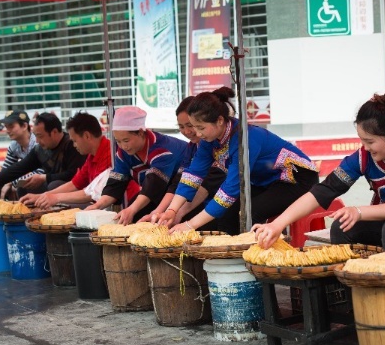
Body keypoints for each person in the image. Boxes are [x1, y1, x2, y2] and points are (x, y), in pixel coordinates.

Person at [252, 89, 385, 250]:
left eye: (370, 141)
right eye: (362, 141)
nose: (365, 147)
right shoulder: (364, 157)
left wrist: (358, 211)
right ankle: (349, 294)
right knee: (341, 227)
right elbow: (324, 190)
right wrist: (277, 225)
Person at [156, 87, 319, 235]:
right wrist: (172, 210)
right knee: (228, 214)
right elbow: (193, 174)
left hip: (296, 179)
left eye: (201, 128)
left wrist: (189, 225)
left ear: (219, 120)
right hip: (265, 182)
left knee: (250, 212)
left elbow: (230, 189)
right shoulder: (208, 140)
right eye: (194, 127)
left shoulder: (245, 138)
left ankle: (253, 260)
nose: (197, 134)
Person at [86, 106, 188, 225]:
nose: (123, 146)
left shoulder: (162, 149)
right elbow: (115, 185)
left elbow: (153, 186)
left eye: (126, 140)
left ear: (140, 132)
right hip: (156, 195)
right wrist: (98, 205)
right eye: (118, 141)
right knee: (133, 215)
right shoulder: (123, 153)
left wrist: (132, 210)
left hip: (183, 193)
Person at [20, 112, 139, 209]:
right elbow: (75, 183)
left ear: (87, 136)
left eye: (75, 141)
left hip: (119, 207)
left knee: (63, 206)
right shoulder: (92, 155)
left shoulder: (111, 155)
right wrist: (44, 196)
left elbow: (91, 193)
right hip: (98, 204)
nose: (74, 145)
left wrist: (54, 197)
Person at [141, 96, 226, 227]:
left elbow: (207, 186)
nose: (189, 132)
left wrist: (179, 214)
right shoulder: (192, 147)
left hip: (219, 205)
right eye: (181, 126)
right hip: (199, 204)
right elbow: (181, 181)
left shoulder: (216, 145)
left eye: (192, 126)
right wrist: (161, 211)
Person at [0, 112, 86, 196]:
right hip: (52, 187)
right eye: (36, 136)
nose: (37, 141)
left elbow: (74, 175)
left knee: (54, 184)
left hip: (75, 190)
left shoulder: (72, 145)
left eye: (40, 136)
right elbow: (17, 168)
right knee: (23, 188)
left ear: (54, 132)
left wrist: (44, 178)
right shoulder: (39, 149)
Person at [0, 110, 43, 200]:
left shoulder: (37, 143)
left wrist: (13, 183)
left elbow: (40, 172)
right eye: (6, 127)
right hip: (25, 180)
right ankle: (3, 211)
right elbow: (5, 171)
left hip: (42, 180)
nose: (7, 131)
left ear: (24, 126)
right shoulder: (14, 146)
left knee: (22, 186)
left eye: (11, 126)